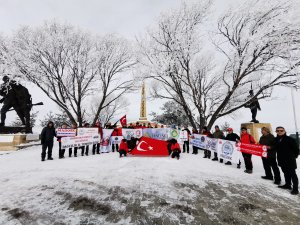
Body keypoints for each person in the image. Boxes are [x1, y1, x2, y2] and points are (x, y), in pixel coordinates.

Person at [275, 126, 299, 195]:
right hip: (281, 160)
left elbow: (296, 150)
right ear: (276, 132)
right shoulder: (276, 139)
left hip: (290, 160)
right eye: (278, 131)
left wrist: (293, 157)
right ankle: (288, 185)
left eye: (281, 130)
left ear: (284, 131)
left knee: (293, 174)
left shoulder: (290, 139)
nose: (279, 132)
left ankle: (295, 189)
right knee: (285, 173)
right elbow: (274, 147)